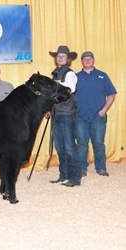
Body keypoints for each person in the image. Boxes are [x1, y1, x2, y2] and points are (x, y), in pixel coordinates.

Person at [75, 52, 117, 177]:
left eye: (90, 59)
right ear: (81, 61)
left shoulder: (103, 76)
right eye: (85, 59)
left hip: (98, 116)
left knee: (98, 142)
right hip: (80, 117)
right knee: (82, 143)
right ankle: (82, 168)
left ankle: (101, 168)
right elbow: (68, 95)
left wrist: (104, 110)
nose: (87, 61)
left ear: (93, 60)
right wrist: (73, 109)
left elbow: (112, 94)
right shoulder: (75, 77)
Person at [48, 45, 82, 187]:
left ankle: (75, 178)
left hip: (67, 114)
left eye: (63, 56)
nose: (60, 58)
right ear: (56, 59)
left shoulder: (70, 73)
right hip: (56, 113)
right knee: (60, 147)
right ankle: (63, 176)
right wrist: (48, 108)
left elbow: (70, 88)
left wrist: (56, 83)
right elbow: (51, 95)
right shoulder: (54, 74)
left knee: (69, 147)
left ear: (68, 59)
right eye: (58, 56)